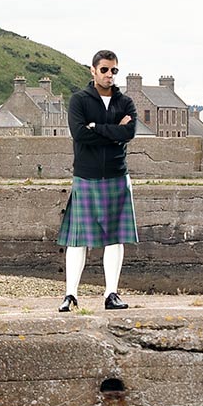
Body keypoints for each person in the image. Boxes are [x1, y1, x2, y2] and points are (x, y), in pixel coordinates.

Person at [57, 49, 138, 312]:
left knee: (115, 238)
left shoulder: (125, 103)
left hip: (116, 174)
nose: (109, 75)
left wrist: (98, 128)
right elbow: (80, 135)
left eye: (114, 70)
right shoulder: (79, 100)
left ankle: (111, 293)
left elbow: (130, 132)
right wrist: (113, 132)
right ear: (93, 70)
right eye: (104, 70)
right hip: (86, 174)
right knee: (78, 239)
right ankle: (70, 295)